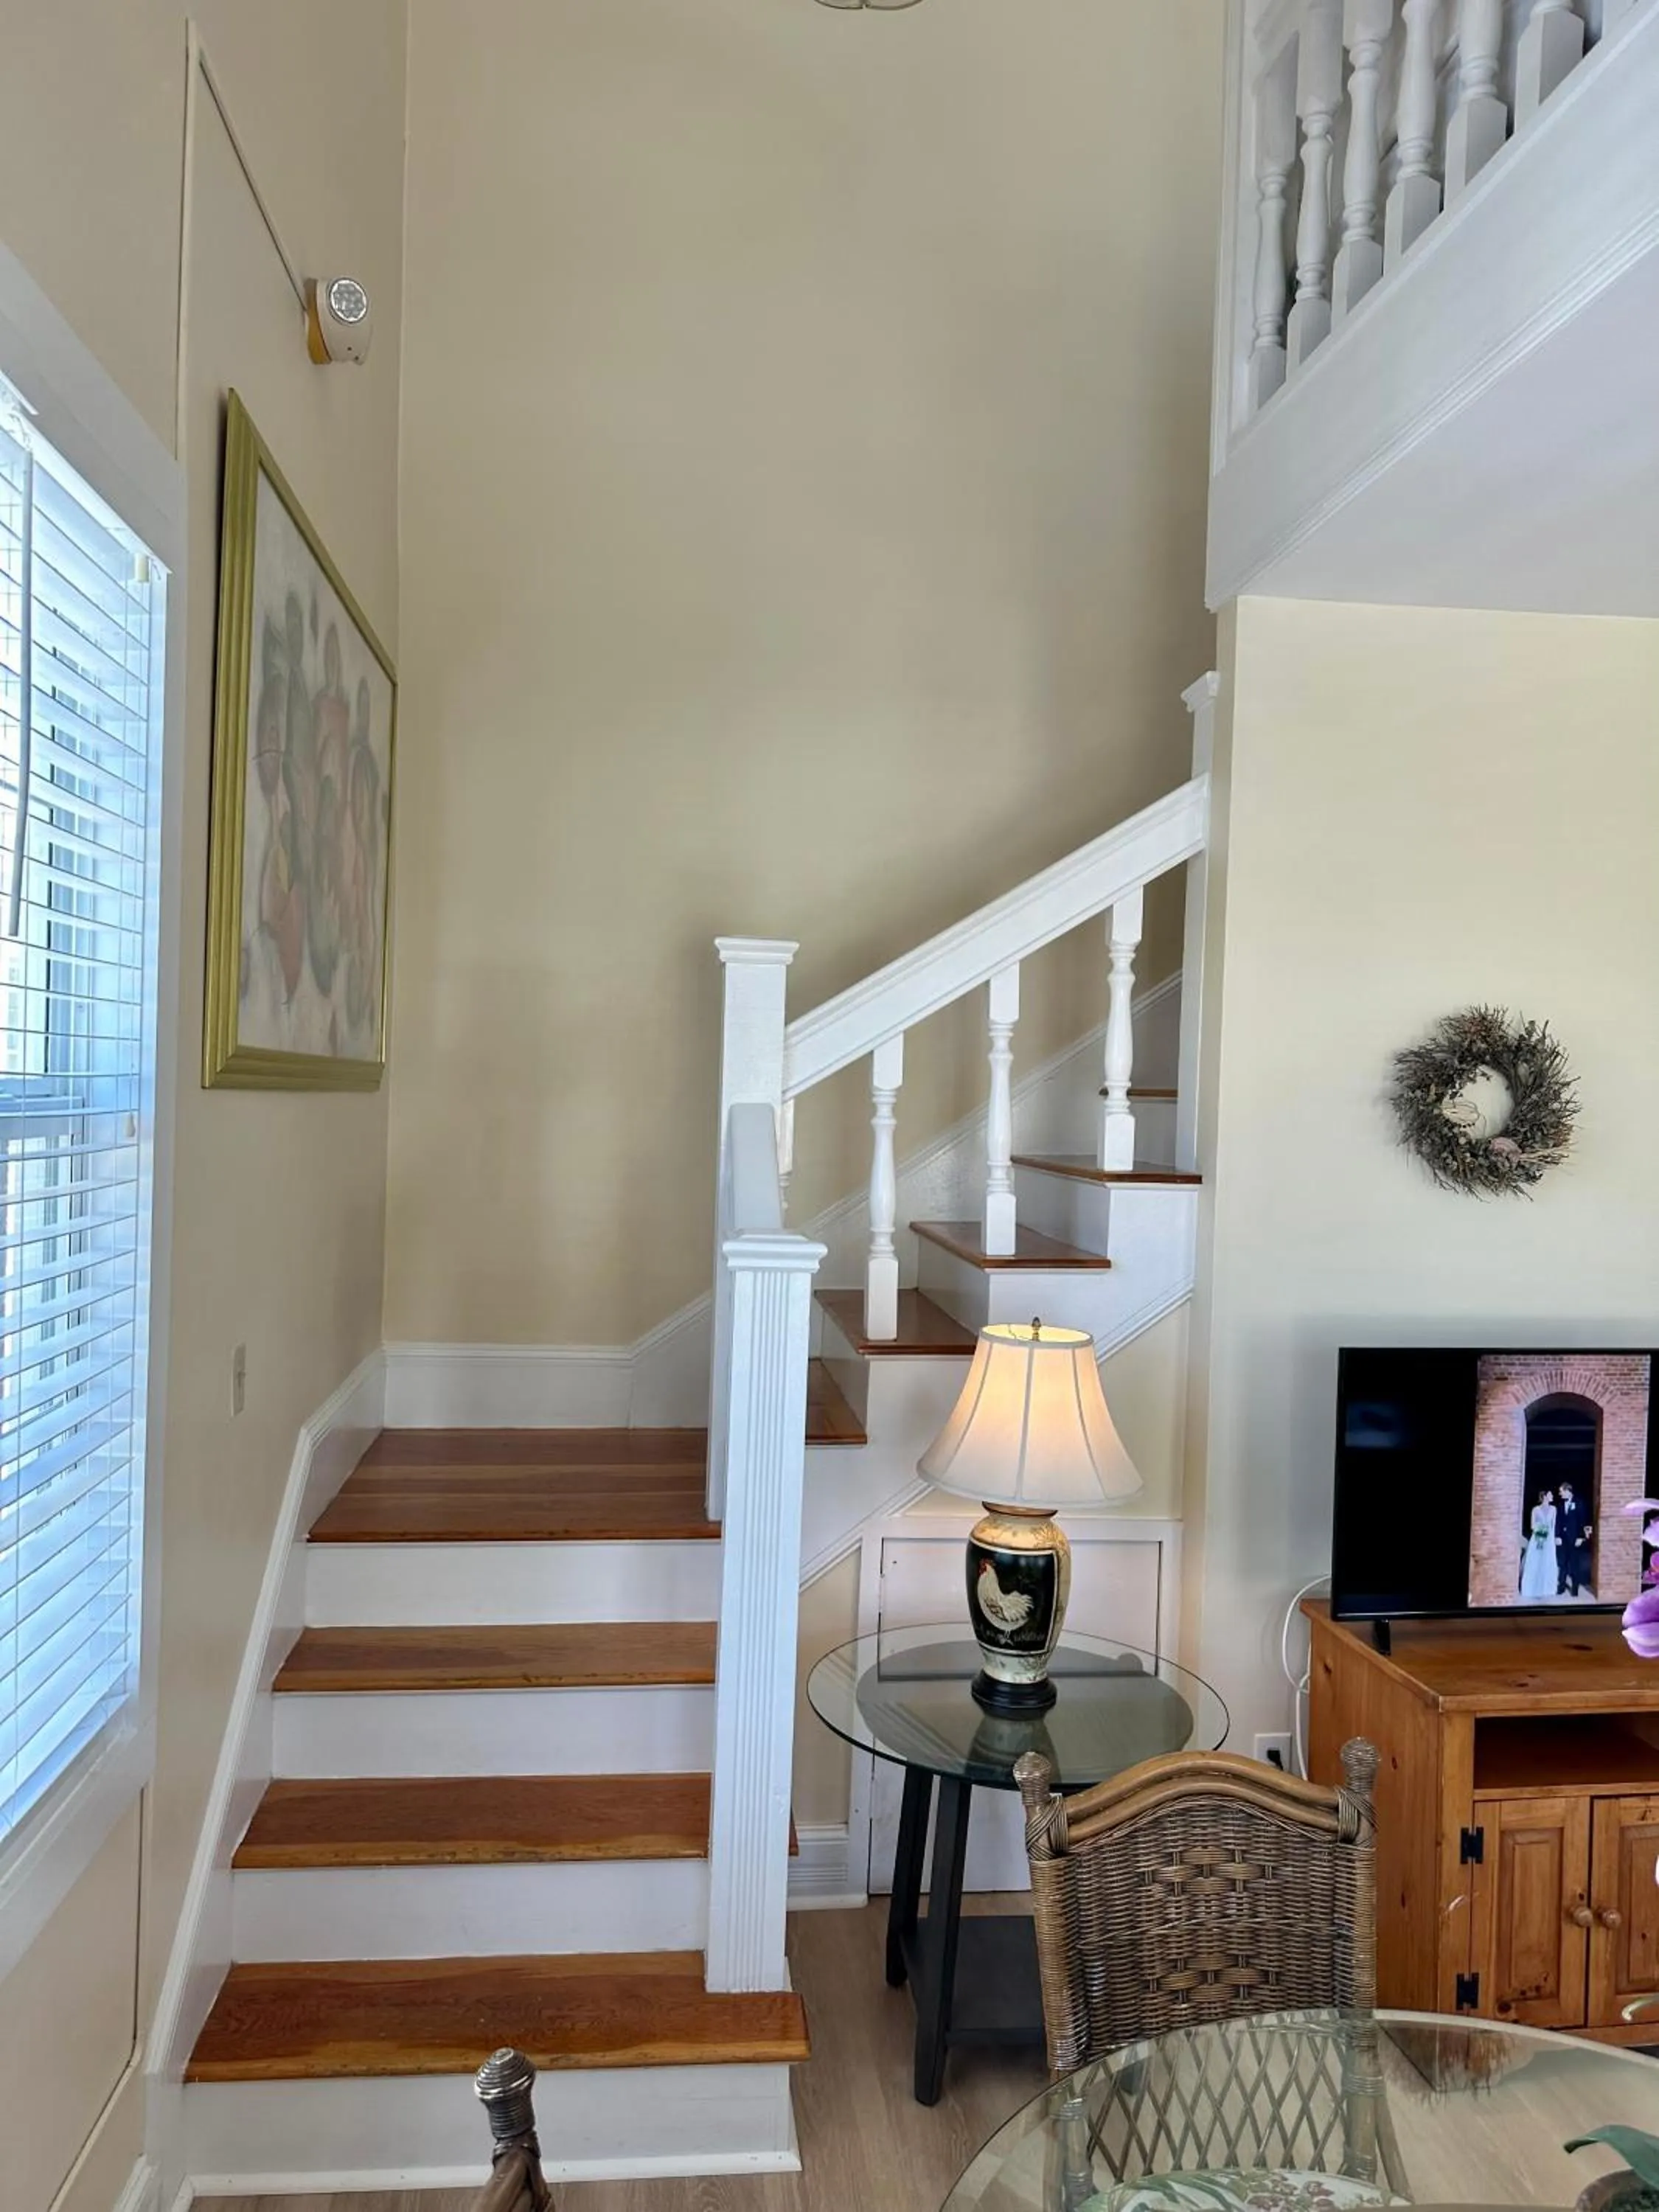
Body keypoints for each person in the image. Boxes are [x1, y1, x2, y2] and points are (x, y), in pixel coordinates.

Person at [1519, 1489, 1559, 1602]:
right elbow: (1532, 1525)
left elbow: (1554, 1525)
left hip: (1549, 1539)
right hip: (1539, 1537)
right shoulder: (1536, 1510)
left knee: (1547, 1561)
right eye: (1550, 1494)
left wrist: (1553, 1538)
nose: (1552, 1496)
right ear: (1545, 1496)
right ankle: (1531, 1589)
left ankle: (1547, 1588)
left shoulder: (1553, 1509)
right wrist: (1542, 1531)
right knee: (1536, 1561)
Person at [1557, 1480, 1594, 1597]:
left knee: (1574, 1565)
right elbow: (1558, 1522)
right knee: (1562, 1564)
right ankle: (1561, 1587)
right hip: (1563, 1539)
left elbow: (1583, 1521)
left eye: (1561, 1492)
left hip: (1575, 1539)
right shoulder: (1561, 1505)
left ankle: (1575, 1589)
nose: (1560, 1494)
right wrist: (1557, 1536)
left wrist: (1581, 1537)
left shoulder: (1579, 1503)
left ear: (1568, 1491)